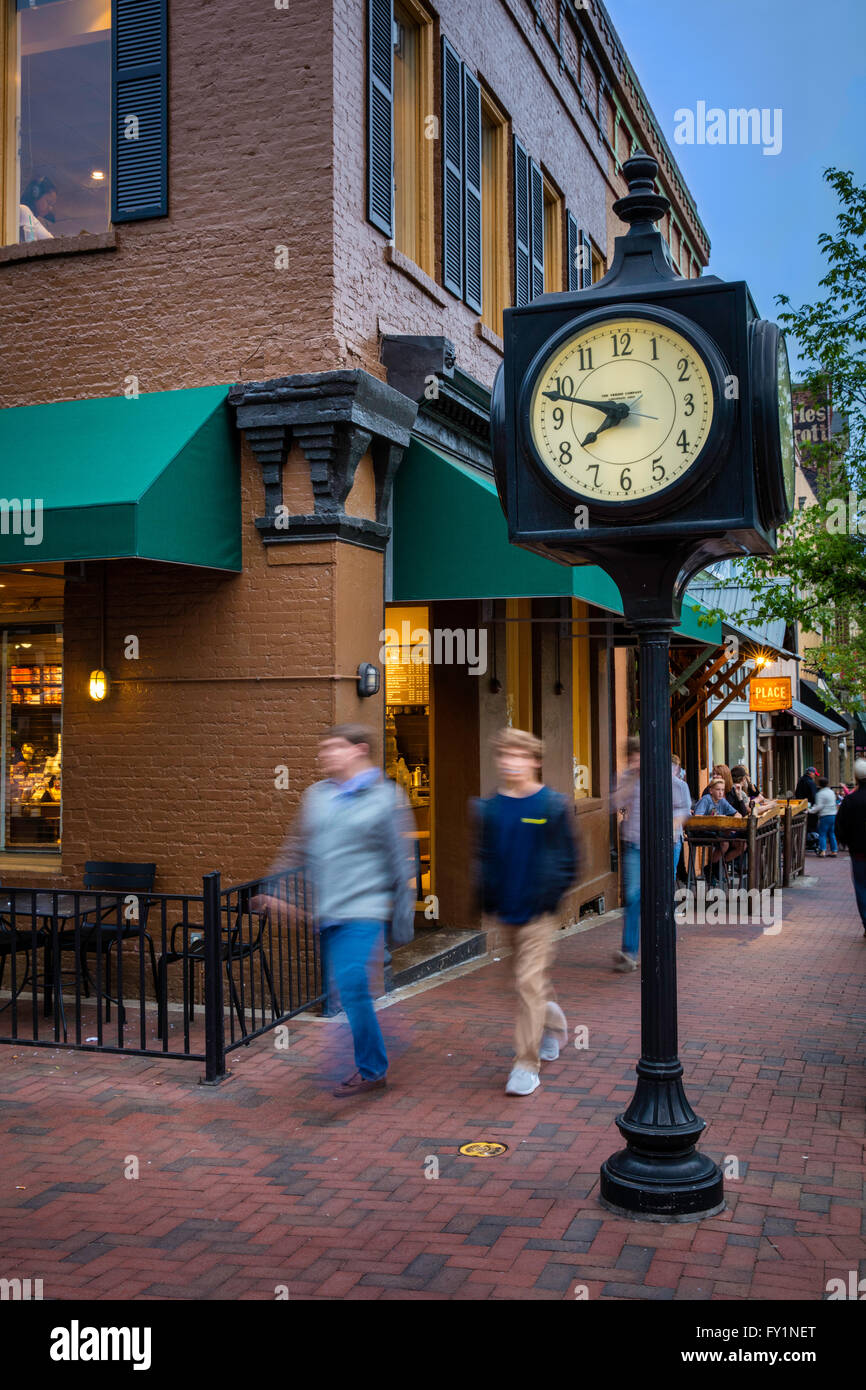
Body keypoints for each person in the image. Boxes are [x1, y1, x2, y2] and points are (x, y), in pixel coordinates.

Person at [256, 724, 415, 1099]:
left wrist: (403, 921)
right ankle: (380, 1044)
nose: (324, 755)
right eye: (322, 748)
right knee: (347, 988)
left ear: (359, 750)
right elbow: (297, 847)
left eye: (333, 748)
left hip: (365, 909)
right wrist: (275, 892)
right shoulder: (316, 796)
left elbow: (400, 861)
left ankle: (374, 1070)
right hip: (327, 913)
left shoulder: (386, 798)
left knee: (351, 983)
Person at [474, 727, 577, 1097]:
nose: (511, 762)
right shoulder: (490, 808)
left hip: (539, 912)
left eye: (519, 755)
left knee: (527, 982)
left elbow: (569, 860)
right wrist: (487, 898)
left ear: (534, 760)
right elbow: (485, 857)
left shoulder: (552, 805)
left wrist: (550, 895)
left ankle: (526, 1065)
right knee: (521, 983)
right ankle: (549, 1017)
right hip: (506, 910)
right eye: (505, 755)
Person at [613, 737, 641, 972]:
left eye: (638, 756)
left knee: (656, 899)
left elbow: (681, 808)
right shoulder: (627, 778)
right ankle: (629, 952)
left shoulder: (664, 777)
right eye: (631, 757)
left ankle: (659, 947)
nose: (634, 761)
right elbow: (615, 803)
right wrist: (630, 782)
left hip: (660, 846)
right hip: (633, 844)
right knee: (632, 897)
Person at [834, 759, 866, 936]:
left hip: (859, 851)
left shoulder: (851, 800)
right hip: (858, 849)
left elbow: (840, 825)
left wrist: (845, 842)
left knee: (861, 886)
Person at [692, 777, 744, 878]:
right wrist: (714, 819)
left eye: (722, 790)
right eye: (718, 789)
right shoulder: (706, 799)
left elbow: (738, 814)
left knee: (741, 844)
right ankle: (712, 869)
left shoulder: (722, 801)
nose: (720, 792)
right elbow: (697, 818)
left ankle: (716, 867)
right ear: (711, 790)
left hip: (717, 832)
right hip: (701, 832)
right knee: (724, 844)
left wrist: (730, 821)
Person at [671, 755, 692, 888]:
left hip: (674, 834)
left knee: (669, 872)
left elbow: (686, 809)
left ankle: (667, 905)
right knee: (669, 872)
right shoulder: (681, 785)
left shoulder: (681, 785)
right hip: (674, 834)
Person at [19, 176, 56, 243]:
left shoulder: (33, 219)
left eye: (52, 205)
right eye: (48, 202)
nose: (50, 208)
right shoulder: (24, 210)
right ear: (35, 194)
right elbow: (30, 243)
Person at [813, 776, 838, 857]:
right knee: (832, 833)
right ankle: (834, 851)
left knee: (822, 834)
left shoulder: (820, 794)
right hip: (833, 814)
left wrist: (810, 810)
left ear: (819, 784)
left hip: (825, 815)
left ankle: (823, 851)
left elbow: (819, 806)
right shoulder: (831, 792)